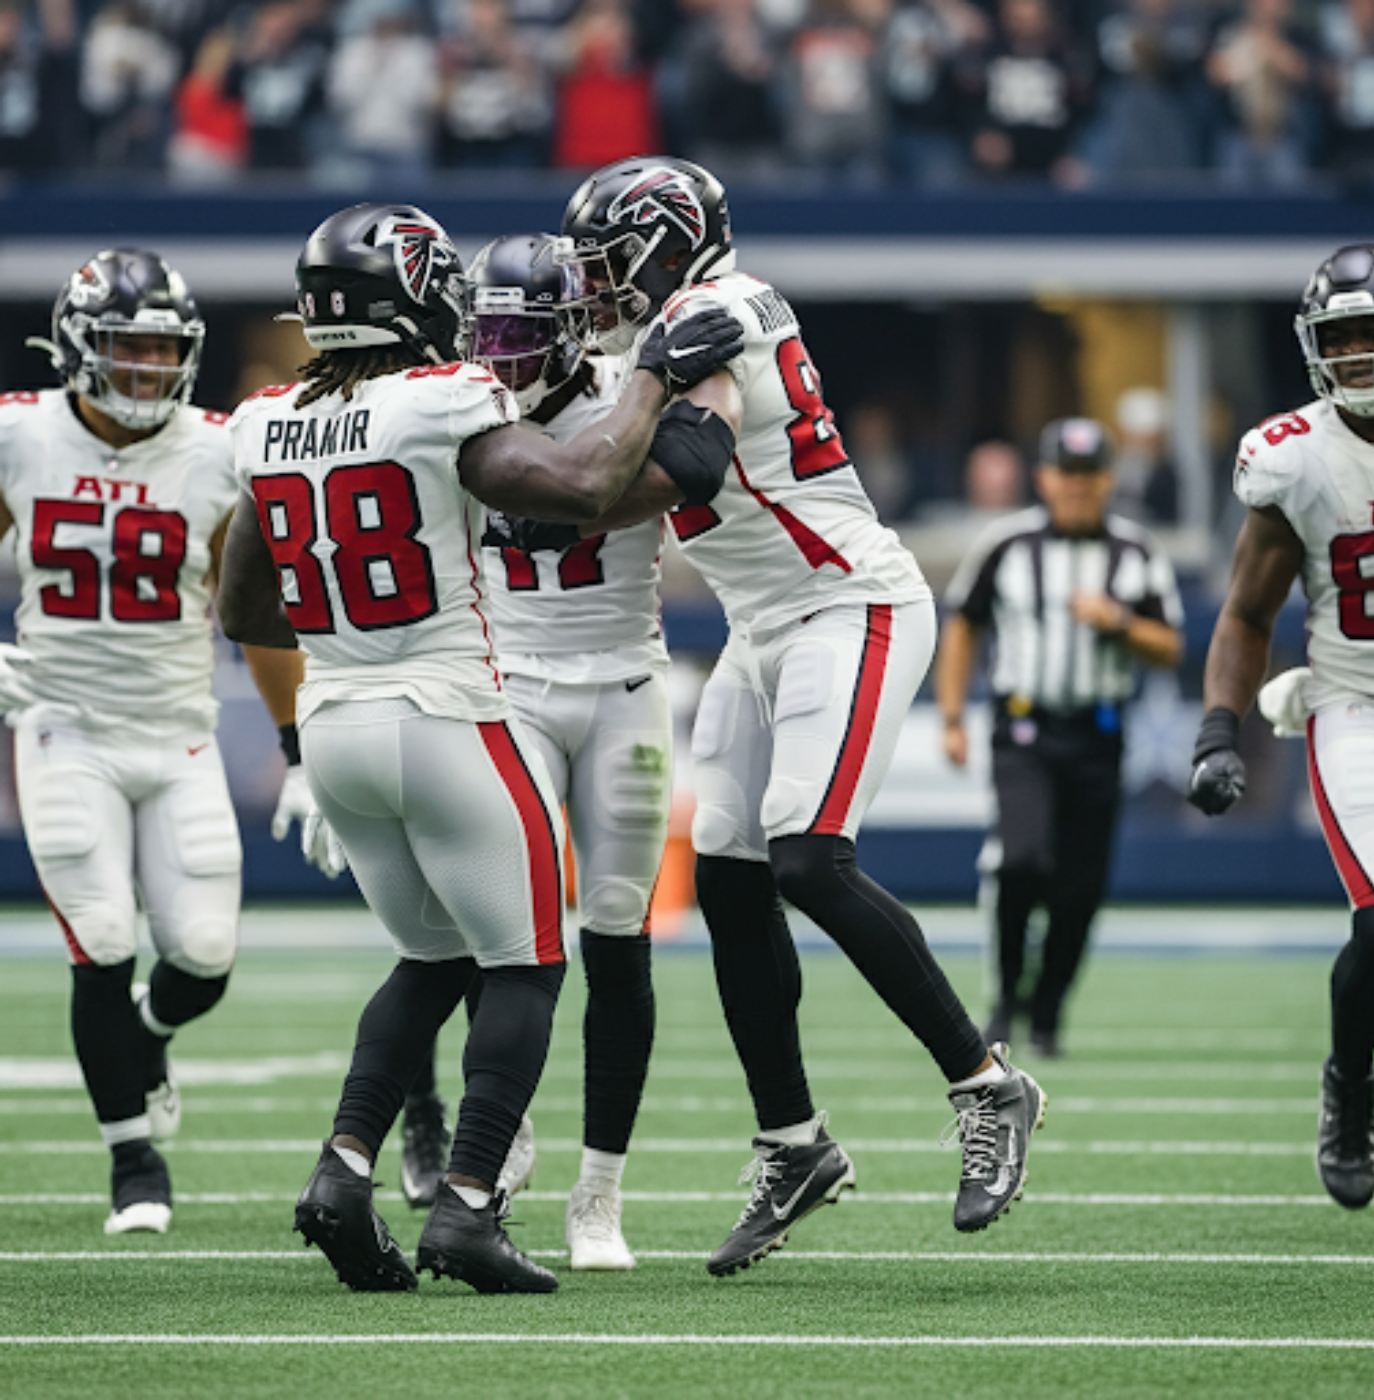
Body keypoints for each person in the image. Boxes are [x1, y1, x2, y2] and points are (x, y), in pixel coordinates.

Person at [216, 201, 742, 1294]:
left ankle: (342, 1171)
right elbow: (590, 487)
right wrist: (649, 380)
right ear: (413, 295)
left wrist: (351, 628)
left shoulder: (260, 420)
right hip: (450, 711)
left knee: (432, 958)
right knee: (532, 962)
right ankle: (463, 1207)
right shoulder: (440, 398)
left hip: (337, 722)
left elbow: (241, 610)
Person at [551, 154, 1048, 1278]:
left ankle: (985, 1082)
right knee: (726, 872)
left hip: (849, 602)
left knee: (809, 858)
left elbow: (689, 457)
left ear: (669, 244)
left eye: (605, 262)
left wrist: (558, 502)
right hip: (762, 622)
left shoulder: (714, 310)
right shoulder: (671, 318)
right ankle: (794, 1144)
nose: (592, 286)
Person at [0, 247, 337, 1236]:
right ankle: (132, 1158)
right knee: (102, 936)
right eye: (125, 346)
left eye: (161, 348)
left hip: (179, 730)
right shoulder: (22, 435)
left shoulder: (218, 450)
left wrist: (298, 743)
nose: (146, 368)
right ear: (76, 346)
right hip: (64, 727)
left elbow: (257, 612)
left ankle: (147, 1036)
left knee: (203, 953)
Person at [395, 232, 679, 1273]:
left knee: (615, 931)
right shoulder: (446, 401)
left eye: (525, 334)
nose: (503, 355)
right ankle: (498, 1146)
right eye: (491, 332)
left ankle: (599, 1190)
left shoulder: (628, 390)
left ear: (571, 330)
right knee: (501, 931)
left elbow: (698, 471)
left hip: (620, 680)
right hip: (498, 678)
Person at [1188, 241, 1374, 1212]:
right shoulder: (1294, 458)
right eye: (1339, 338)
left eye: (1373, 331)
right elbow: (1244, 612)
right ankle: (1348, 1084)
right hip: (1359, 705)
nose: (1357, 355)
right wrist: (1216, 728)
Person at [936, 417, 1184, 1057]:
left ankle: (1048, 1012)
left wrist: (1119, 622)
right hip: (1024, 727)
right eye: (1065, 474)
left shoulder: (1135, 550)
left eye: (1088, 475)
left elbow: (1169, 646)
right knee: (1020, 859)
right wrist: (954, 715)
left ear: (1107, 479)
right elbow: (963, 624)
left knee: (1080, 884)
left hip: (1100, 731)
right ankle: (1004, 1001)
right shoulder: (1008, 543)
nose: (1076, 487)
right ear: (1044, 477)